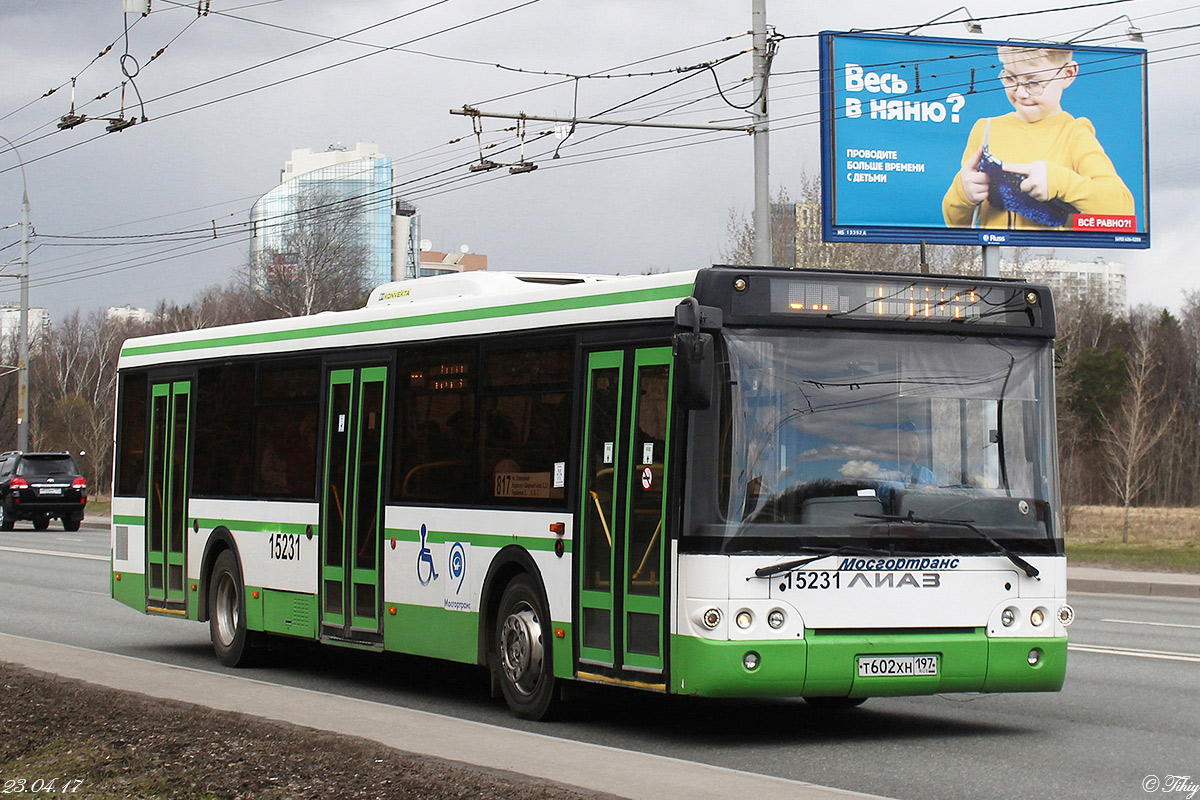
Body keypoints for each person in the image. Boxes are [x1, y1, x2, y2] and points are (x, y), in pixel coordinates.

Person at [942, 45, 1134, 230]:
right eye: (1010, 78)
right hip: (991, 256)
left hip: (1051, 257)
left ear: (1067, 74)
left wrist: (1060, 182)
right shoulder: (986, 129)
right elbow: (956, 223)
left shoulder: (1074, 133)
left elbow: (1123, 211)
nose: (1020, 93)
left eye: (1033, 83)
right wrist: (963, 193)